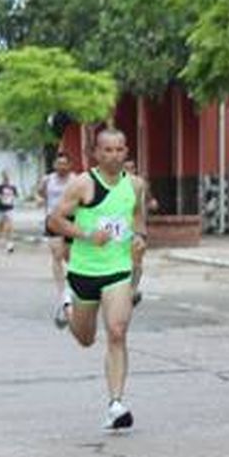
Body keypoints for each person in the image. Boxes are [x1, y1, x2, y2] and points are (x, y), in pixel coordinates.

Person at [48, 129, 148, 432]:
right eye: (108, 150)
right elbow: (55, 220)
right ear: (96, 153)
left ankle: (116, 404)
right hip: (84, 272)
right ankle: (67, 304)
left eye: (120, 150)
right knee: (85, 338)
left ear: (126, 150)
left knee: (117, 332)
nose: (114, 155)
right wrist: (87, 234)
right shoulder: (83, 184)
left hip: (118, 269)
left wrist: (141, 238)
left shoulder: (136, 185)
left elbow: (138, 217)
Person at [36, 152, 76, 327]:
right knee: (57, 255)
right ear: (54, 165)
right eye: (58, 163)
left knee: (70, 258)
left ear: (69, 165)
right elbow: (39, 193)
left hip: (70, 220)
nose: (61, 167)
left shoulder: (75, 180)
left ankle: (72, 288)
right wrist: (41, 201)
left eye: (64, 164)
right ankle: (63, 295)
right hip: (52, 220)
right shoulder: (47, 180)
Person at [122, 159, 159, 306]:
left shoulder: (141, 183)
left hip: (138, 228)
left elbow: (150, 199)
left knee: (137, 261)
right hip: (121, 230)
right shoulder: (113, 184)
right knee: (123, 261)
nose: (129, 170)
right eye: (126, 167)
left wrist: (151, 203)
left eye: (132, 167)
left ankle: (133, 289)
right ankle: (123, 289)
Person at [0, 170, 19, 253]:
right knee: (1, 225)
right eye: (5, 176)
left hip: (10, 209)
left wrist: (13, 197)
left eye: (8, 176)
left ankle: (10, 245)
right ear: (2, 177)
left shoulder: (13, 187)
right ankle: (0, 231)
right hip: (0, 209)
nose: (7, 178)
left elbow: (16, 196)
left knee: (10, 226)